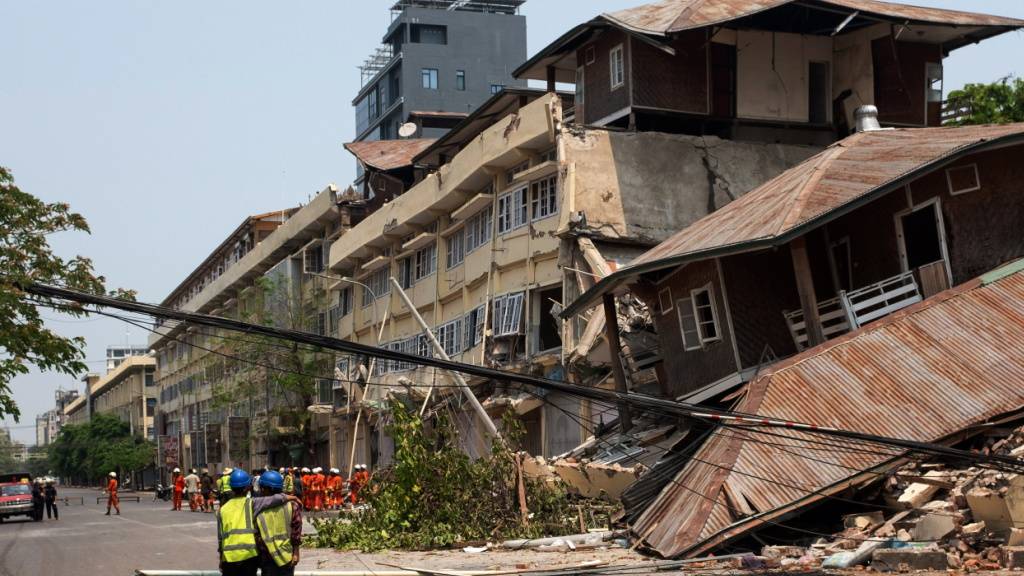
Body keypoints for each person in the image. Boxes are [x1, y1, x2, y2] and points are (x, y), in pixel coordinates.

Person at [216, 469, 299, 576]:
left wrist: (221, 559)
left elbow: (220, 537)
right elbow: (273, 499)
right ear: (248, 488)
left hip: (228, 557)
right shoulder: (252, 503)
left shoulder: (222, 509)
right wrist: (292, 497)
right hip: (249, 555)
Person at [254, 470, 302, 575]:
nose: (261, 490)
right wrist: (296, 553)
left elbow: (256, 533)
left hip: (266, 556)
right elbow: (296, 532)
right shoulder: (292, 505)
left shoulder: (258, 507)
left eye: (262, 488)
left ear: (266, 488)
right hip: (286, 555)